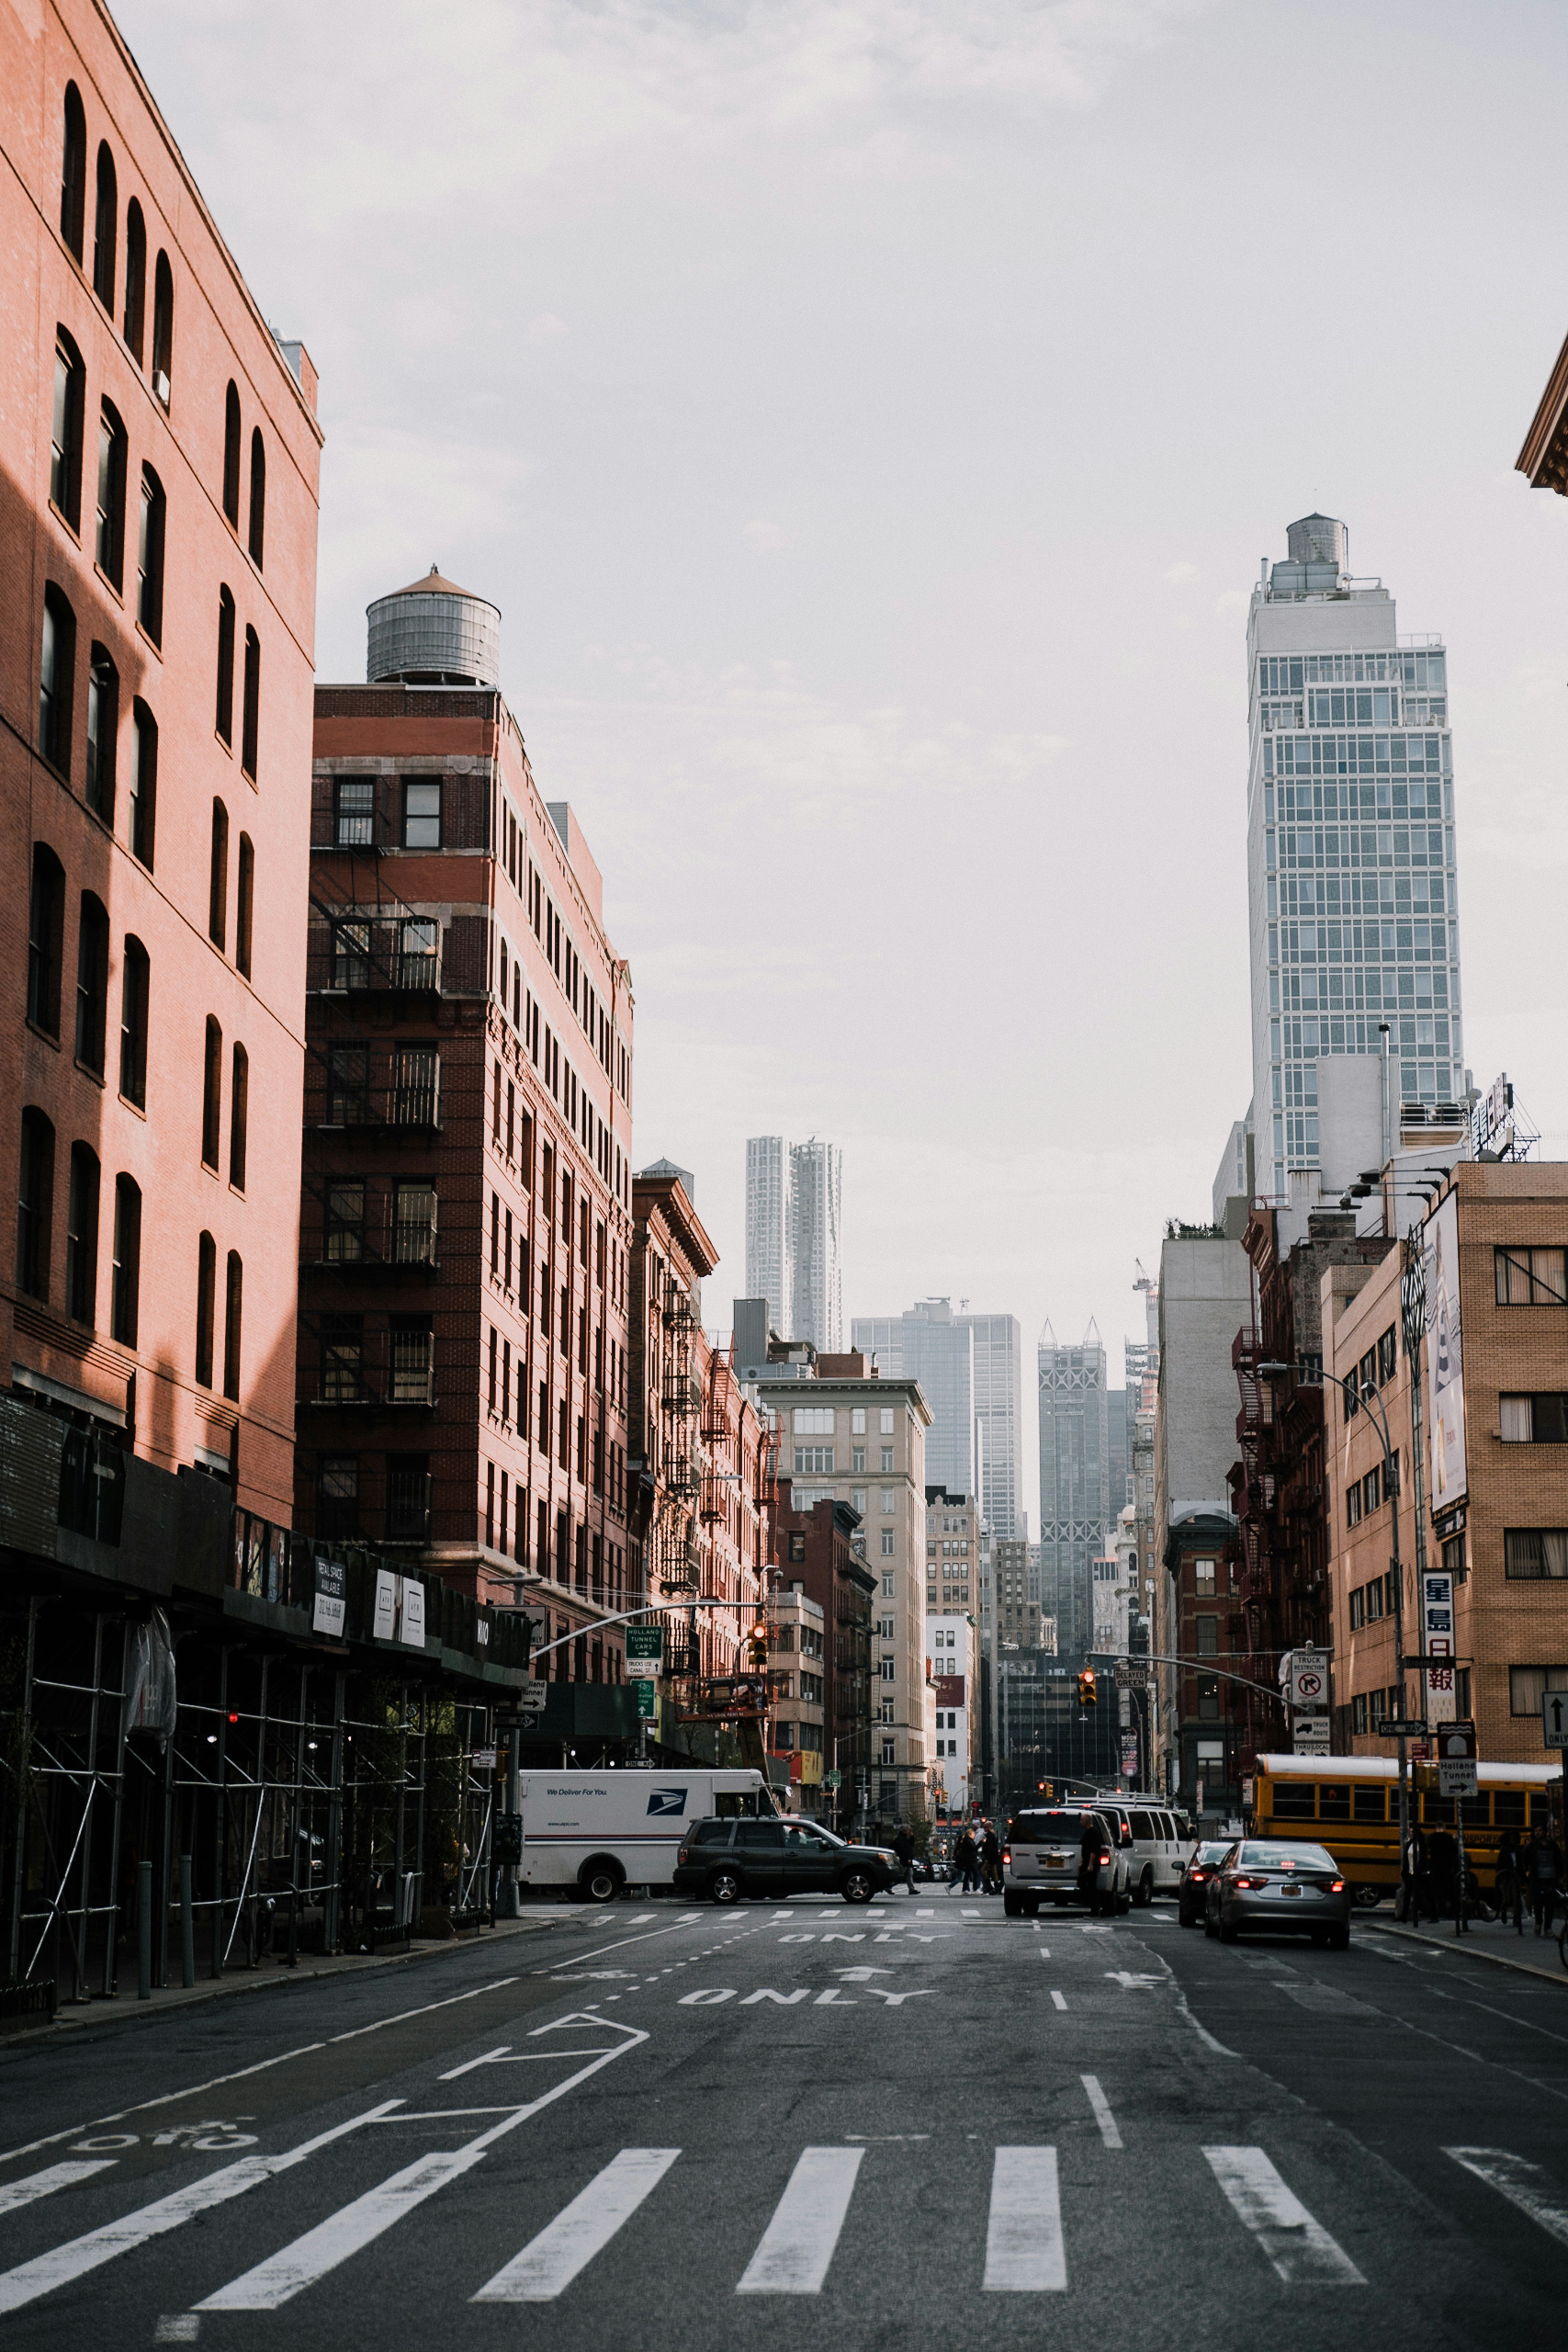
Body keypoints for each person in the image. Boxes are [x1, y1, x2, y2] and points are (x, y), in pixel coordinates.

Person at [1528, 1825, 1563, 1937]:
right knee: (1538, 1902)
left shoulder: (1552, 1845)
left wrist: (1560, 1876)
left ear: (1545, 1832)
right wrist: (1526, 1871)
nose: (1537, 1833)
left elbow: (1559, 1860)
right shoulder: (1533, 1845)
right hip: (1538, 1878)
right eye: (1536, 1831)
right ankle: (1539, 1922)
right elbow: (1524, 1857)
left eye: (1540, 1831)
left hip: (1551, 1878)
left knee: (1550, 1904)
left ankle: (1548, 1928)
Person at [1494, 1828, 1525, 1936]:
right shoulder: (1504, 1852)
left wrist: (1522, 1875)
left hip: (1515, 1876)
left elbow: (1521, 1865)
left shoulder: (1518, 1852)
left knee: (1516, 1898)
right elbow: (1499, 1866)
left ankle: (1516, 1918)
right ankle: (1503, 1910)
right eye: (1511, 1840)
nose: (1513, 1842)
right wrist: (1501, 1876)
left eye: (1514, 1840)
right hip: (1506, 1877)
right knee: (1507, 1898)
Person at [953, 1826, 979, 1895]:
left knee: (967, 1875)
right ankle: (975, 1889)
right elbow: (974, 1849)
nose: (974, 1836)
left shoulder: (967, 1841)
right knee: (975, 1874)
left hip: (968, 1860)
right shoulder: (969, 1841)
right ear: (970, 1834)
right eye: (973, 1834)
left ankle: (965, 1890)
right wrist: (982, 1842)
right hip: (971, 1860)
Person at [979, 1823, 1002, 1896]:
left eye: (985, 1828)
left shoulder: (990, 1837)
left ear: (988, 1828)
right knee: (994, 1872)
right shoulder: (992, 1836)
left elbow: (990, 1849)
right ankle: (997, 1887)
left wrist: (987, 1858)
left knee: (983, 1870)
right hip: (994, 1857)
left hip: (990, 1858)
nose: (984, 1829)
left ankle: (989, 1887)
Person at [893, 1824, 916, 1895]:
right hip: (904, 1860)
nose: (909, 1832)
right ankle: (889, 1887)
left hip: (906, 1860)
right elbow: (904, 1850)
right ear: (905, 1831)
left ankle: (912, 1889)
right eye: (908, 1830)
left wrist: (912, 1837)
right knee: (899, 1875)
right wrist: (907, 1858)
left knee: (909, 1874)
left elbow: (911, 1845)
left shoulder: (906, 1838)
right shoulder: (901, 1839)